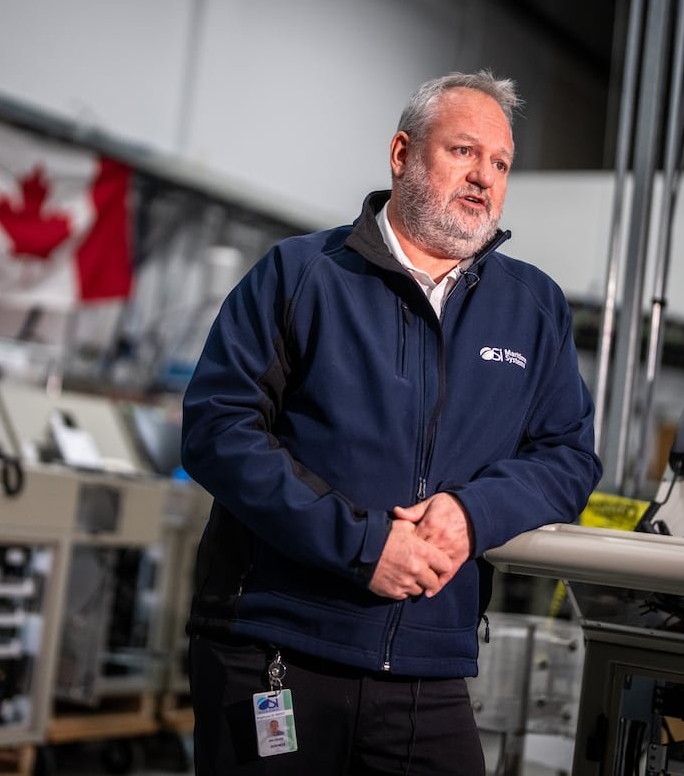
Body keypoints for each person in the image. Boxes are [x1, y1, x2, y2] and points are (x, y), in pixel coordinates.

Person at [181, 70, 602, 775]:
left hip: (427, 666)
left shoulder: (532, 306)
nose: (484, 177)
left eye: (500, 163)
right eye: (463, 152)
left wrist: (472, 514)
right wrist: (362, 545)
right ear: (402, 153)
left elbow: (568, 457)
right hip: (276, 648)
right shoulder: (300, 274)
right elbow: (218, 431)